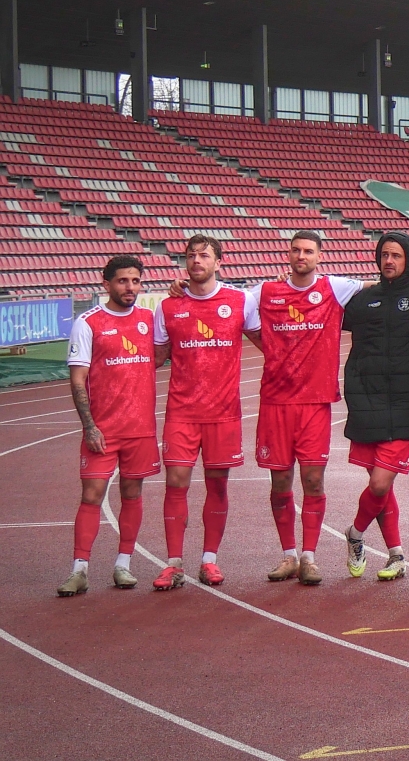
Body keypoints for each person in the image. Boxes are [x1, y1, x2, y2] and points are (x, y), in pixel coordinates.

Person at [245, 230, 363, 585]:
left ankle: (310, 557)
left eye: (308, 251)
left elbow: (378, 282)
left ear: (319, 256)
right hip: (276, 403)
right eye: (296, 250)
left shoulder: (334, 288)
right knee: (280, 481)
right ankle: (288, 555)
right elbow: (226, 305)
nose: (301, 256)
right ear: (289, 254)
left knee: (313, 480)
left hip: (315, 403)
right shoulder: (264, 292)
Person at [59, 256, 167, 596]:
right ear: (106, 283)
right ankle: (79, 570)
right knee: (91, 495)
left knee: (132, 494)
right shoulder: (88, 322)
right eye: (122, 281)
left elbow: (161, 356)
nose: (130, 288)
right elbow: (78, 380)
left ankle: (123, 564)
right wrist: (89, 426)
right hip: (103, 430)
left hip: (140, 430)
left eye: (136, 281)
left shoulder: (149, 319)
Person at [153, 234, 245, 590]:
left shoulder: (239, 301)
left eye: (204, 256)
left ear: (218, 262)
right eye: (191, 256)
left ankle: (209, 560)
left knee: (217, 484)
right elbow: (156, 357)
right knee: (176, 482)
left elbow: (265, 341)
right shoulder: (169, 307)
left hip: (223, 413)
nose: (196, 261)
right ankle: (173, 563)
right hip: (181, 412)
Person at [339, 232, 409, 583]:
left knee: (379, 484)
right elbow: (320, 300)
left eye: (396, 255)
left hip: (407, 404)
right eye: (384, 255)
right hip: (367, 400)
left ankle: (355, 534)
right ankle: (396, 554)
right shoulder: (364, 300)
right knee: (382, 487)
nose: (389, 261)